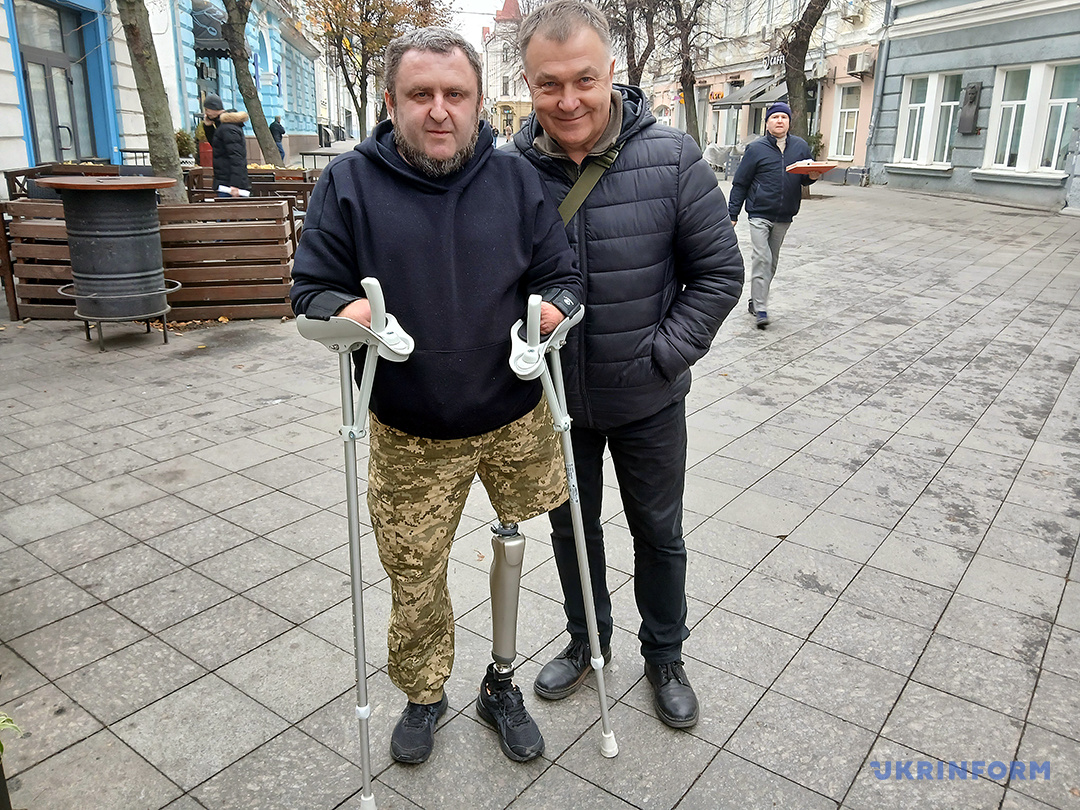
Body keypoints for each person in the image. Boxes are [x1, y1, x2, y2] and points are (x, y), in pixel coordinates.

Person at [289, 27, 583, 765]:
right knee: (414, 574)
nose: (440, 110)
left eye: (456, 94)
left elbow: (562, 275)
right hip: (409, 426)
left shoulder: (516, 180)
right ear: (391, 102)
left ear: (479, 102)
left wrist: (552, 313)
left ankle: (502, 683)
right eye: (421, 94)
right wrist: (351, 315)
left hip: (512, 414)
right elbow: (310, 290)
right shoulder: (349, 183)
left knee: (518, 543)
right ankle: (424, 693)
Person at [507, 0, 743, 729]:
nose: (568, 100)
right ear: (528, 84)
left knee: (658, 533)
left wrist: (661, 356)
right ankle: (588, 641)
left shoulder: (671, 158)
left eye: (584, 79)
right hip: (554, 402)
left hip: (648, 398)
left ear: (611, 71)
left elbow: (718, 275)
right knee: (572, 533)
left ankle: (664, 654)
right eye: (549, 84)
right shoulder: (508, 172)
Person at [728, 101, 820, 329]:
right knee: (762, 258)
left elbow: (805, 178)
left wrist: (813, 176)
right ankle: (761, 308)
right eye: (775, 117)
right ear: (767, 122)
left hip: (785, 215)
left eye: (784, 117)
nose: (780, 121)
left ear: (789, 122)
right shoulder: (756, 149)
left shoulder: (800, 147)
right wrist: (732, 214)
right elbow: (740, 183)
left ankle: (755, 299)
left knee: (772, 262)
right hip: (759, 213)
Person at [202, 93, 250, 197]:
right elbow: (218, 146)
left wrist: (235, 185)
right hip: (226, 182)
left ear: (215, 108)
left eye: (207, 110)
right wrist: (208, 127)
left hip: (230, 185)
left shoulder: (228, 128)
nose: (206, 113)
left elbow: (236, 158)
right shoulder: (224, 126)